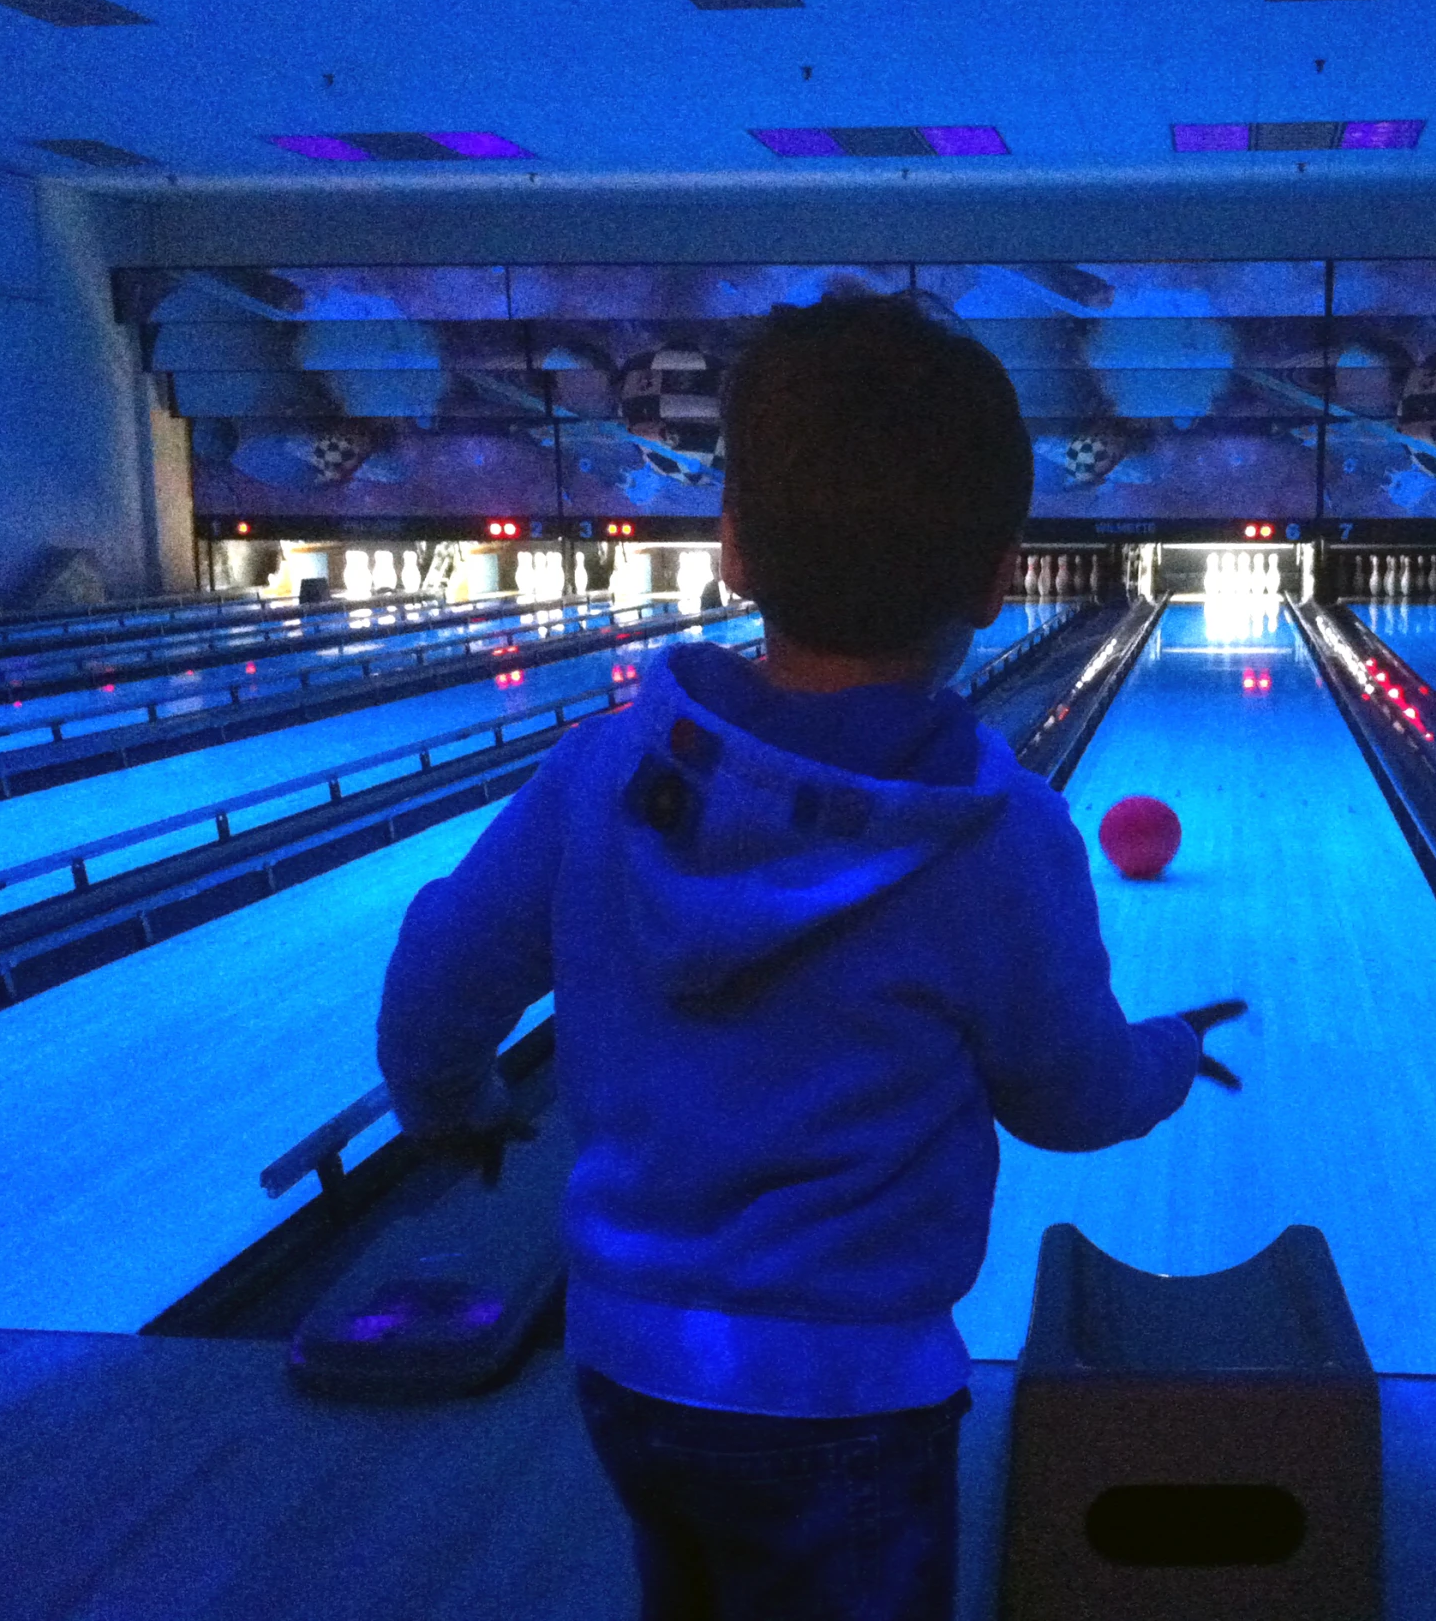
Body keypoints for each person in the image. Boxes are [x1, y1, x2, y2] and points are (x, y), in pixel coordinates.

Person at [375, 291, 1248, 1621]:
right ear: (1003, 573)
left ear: (729, 545)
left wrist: (454, 1104)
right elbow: (1070, 1094)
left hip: (624, 1358)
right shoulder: (1000, 837)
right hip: (852, 1394)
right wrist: (1171, 1055)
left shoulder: (598, 772)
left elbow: (440, 973)